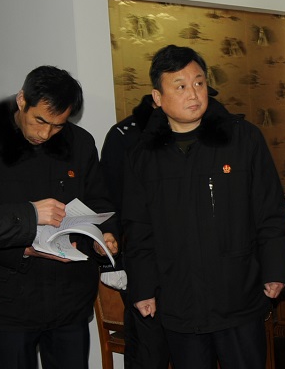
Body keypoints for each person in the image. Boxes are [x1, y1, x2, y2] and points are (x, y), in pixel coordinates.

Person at [122, 45, 285, 368]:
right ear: (157, 97)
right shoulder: (143, 155)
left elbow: (270, 211)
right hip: (179, 298)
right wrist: (143, 288)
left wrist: (275, 270)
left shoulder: (243, 139)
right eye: (180, 86)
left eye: (199, 83)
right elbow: (138, 228)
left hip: (238, 293)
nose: (193, 94)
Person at [0, 65, 119, 368]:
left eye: (58, 125)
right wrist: (28, 227)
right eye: (40, 120)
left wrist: (105, 236)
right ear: (22, 100)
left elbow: (99, 200)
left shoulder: (80, 143)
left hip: (69, 300)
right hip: (7, 303)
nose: (45, 134)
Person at [100, 94, 170, 368]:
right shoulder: (125, 135)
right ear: (158, 96)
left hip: (180, 261)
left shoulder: (191, 132)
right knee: (148, 346)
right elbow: (109, 199)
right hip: (140, 257)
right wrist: (113, 263)